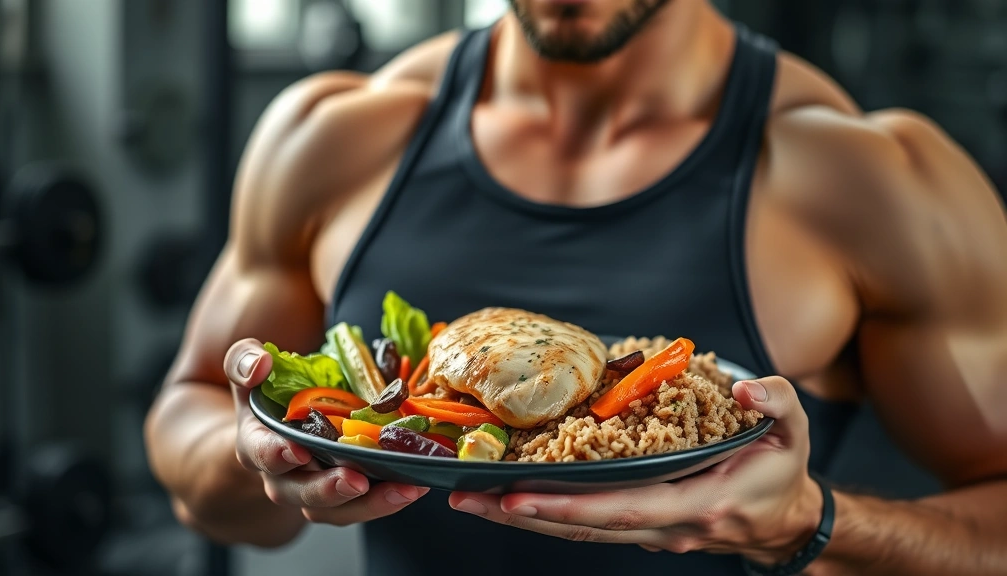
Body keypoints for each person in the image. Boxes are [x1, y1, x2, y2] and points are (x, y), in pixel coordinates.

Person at [144, 0, 1007, 574]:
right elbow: (190, 432)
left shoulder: (871, 179)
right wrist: (260, 458)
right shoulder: (335, 136)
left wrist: (811, 523)